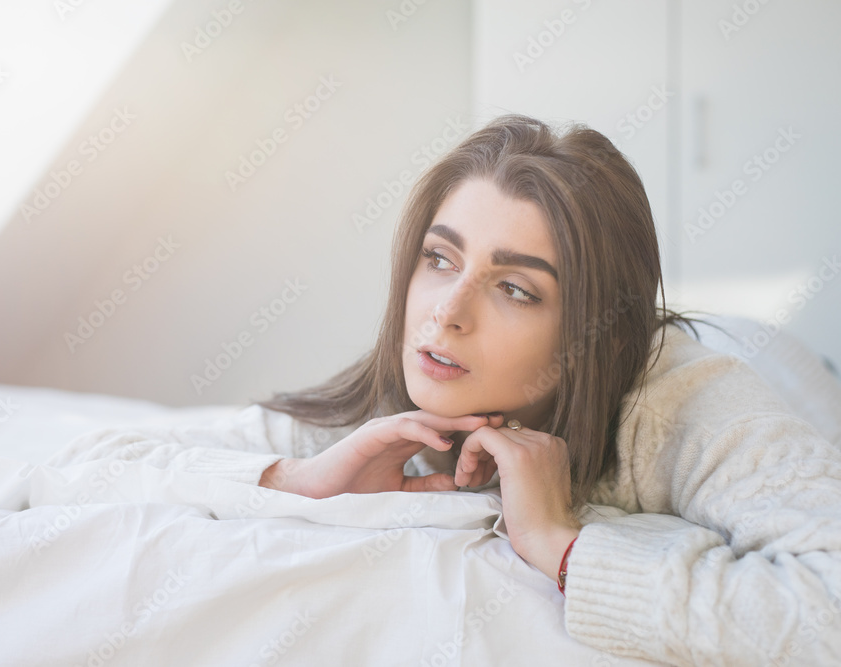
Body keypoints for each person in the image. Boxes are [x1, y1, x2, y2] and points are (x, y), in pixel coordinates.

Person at [237, 114, 841, 665]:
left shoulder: (688, 405)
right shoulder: (412, 374)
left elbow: (827, 611)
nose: (445, 312)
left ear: (589, 330)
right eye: (441, 258)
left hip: (783, 363)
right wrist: (294, 481)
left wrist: (563, 546)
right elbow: (149, 457)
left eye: (516, 289)